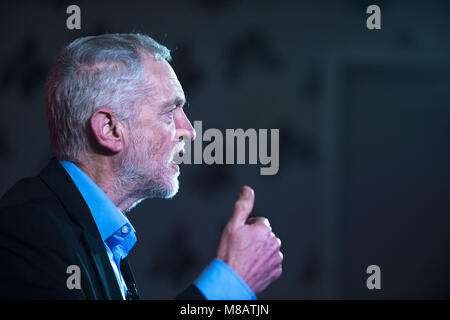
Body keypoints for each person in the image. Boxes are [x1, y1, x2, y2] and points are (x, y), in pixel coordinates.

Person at [0, 33, 283, 300]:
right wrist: (230, 282)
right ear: (110, 129)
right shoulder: (25, 233)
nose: (189, 131)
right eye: (169, 112)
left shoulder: (95, 235)